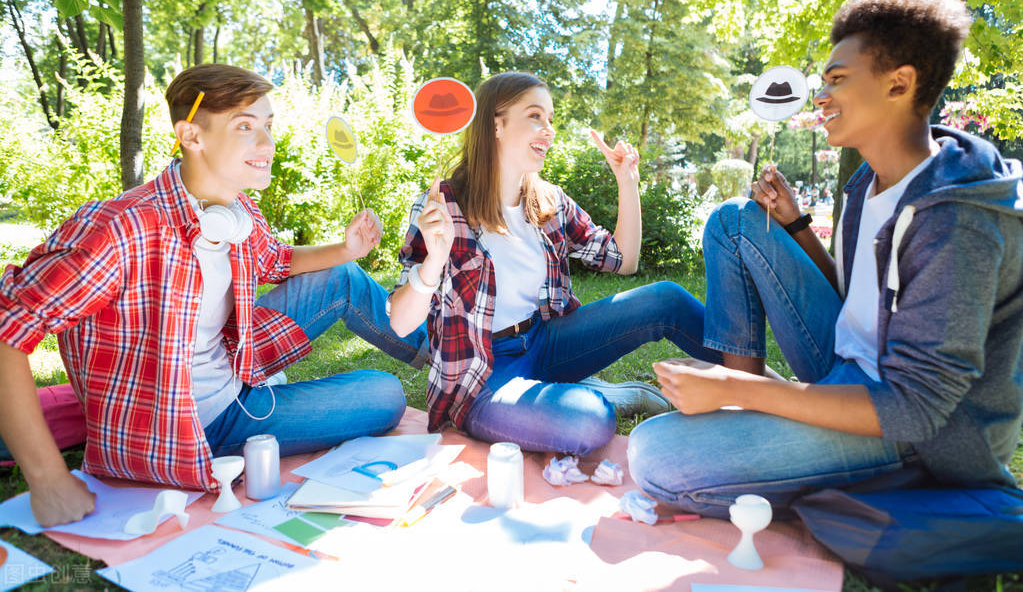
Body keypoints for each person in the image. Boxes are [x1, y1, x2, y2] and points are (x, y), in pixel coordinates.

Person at [627, 0, 1023, 517]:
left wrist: (744, 395)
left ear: (899, 84)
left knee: (656, 460)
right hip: (843, 360)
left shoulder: (959, 219)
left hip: (910, 436)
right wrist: (797, 227)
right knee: (734, 222)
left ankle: (767, 412)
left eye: (837, 80)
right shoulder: (868, 181)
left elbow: (917, 409)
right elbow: (861, 295)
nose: (820, 96)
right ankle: (747, 389)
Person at [0, 64, 427, 527]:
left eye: (268, 126)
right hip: (191, 423)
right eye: (245, 127)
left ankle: (442, 362)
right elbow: (7, 331)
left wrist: (346, 249)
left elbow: (276, 261)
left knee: (341, 273)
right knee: (384, 394)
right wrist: (47, 480)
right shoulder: (120, 230)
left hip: (233, 359)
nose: (266, 144)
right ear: (191, 135)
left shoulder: (236, 208)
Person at [387, 71, 720, 455]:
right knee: (588, 420)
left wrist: (627, 180)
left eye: (550, 119)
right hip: (483, 377)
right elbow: (400, 321)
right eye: (535, 116)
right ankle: (593, 394)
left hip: (547, 343)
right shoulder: (442, 205)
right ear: (497, 124)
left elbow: (623, 260)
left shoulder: (548, 201)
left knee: (667, 299)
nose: (549, 130)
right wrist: (435, 260)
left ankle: (759, 383)